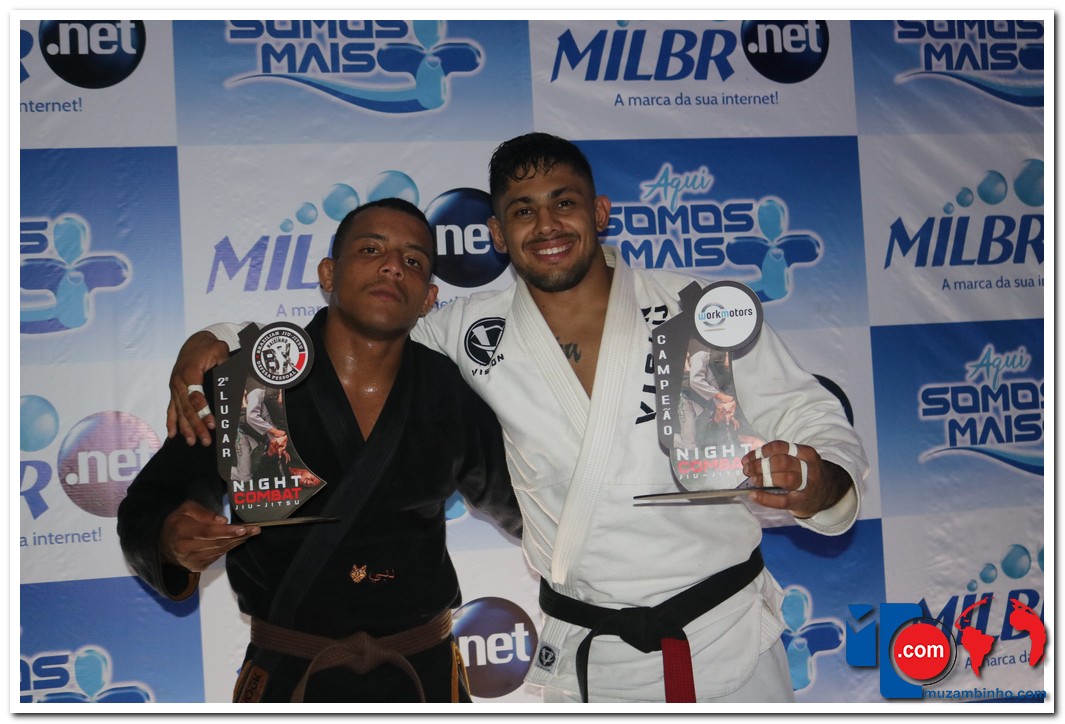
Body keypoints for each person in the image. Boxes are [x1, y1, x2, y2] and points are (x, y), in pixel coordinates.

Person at [165, 134, 868, 703]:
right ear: (498, 235)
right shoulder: (466, 331)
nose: (547, 225)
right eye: (524, 211)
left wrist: (820, 481)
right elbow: (353, 335)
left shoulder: (697, 307)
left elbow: (811, 413)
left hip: (723, 636)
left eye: (564, 202)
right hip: (592, 656)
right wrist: (227, 337)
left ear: (600, 212)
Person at [118, 198, 522, 704]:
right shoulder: (250, 381)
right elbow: (149, 502)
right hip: (292, 676)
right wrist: (168, 536)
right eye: (371, 249)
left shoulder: (449, 390)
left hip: (423, 677)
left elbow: (528, 507)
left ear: (428, 298)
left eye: (413, 260)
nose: (393, 266)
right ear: (328, 273)